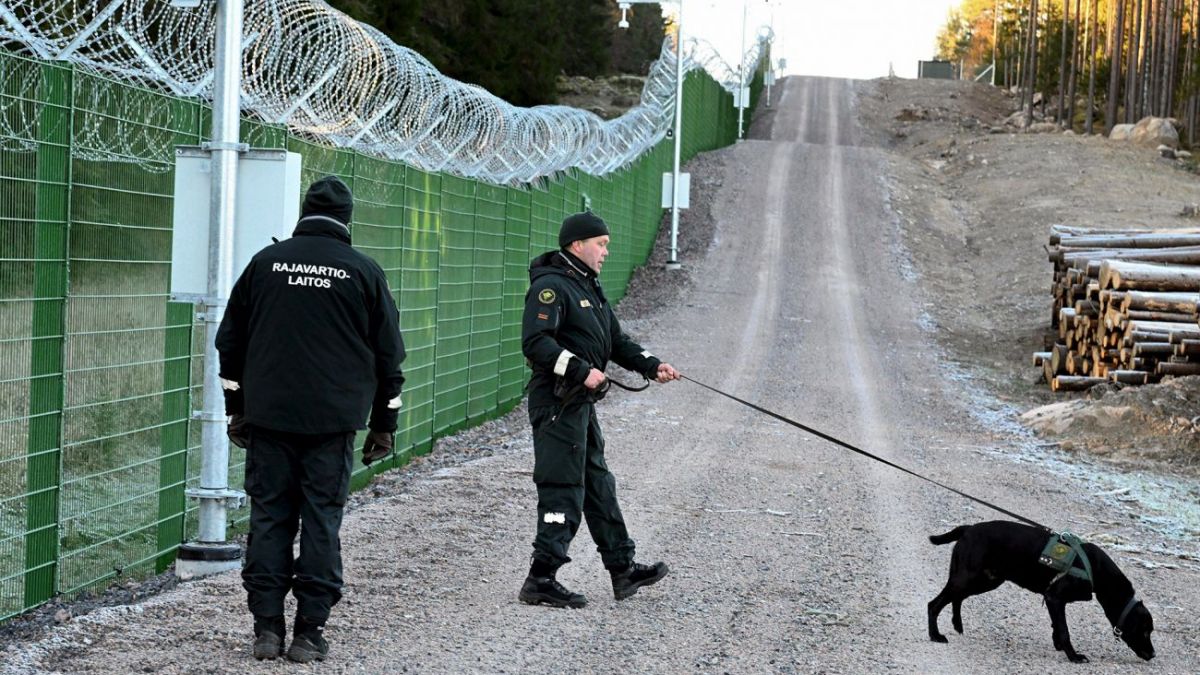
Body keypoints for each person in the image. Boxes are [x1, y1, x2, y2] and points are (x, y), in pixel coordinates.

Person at [216, 175, 405, 662]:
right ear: (347, 220)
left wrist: (235, 409)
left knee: (270, 517)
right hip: (332, 422)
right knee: (322, 520)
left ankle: (266, 630)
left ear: (303, 212)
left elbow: (229, 343)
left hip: (270, 418)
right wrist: (385, 422)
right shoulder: (363, 270)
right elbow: (390, 356)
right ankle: (309, 632)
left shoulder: (264, 265)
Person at [518, 211, 681, 608]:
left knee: (598, 486)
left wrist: (651, 364)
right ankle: (541, 578)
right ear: (578, 245)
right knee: (563, 486)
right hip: (558, 401)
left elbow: (616, 340)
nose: (606, 251)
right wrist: (581, 370)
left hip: (580, 405)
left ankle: (622, 570)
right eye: (601, 243)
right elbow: (536, 342)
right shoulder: (552, 287)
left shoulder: (587, 287)